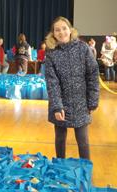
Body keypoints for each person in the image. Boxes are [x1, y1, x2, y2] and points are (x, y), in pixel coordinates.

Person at [45, 16, 99, 160]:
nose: (61, 32)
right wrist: (57, 107)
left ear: (70, 30)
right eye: (57, 30)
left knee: (83, 141)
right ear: (53, 33)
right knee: (60, 139)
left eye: (64, 28)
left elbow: (93, 74)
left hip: (81, 103)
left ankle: (86, 170)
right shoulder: (51, 53)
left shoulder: (83, 48)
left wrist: (92, 100)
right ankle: (60, 168)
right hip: (60, 104)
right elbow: (52, 82)